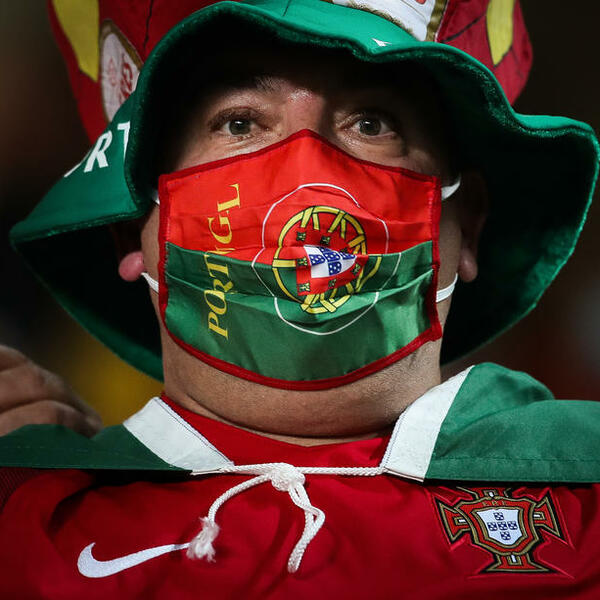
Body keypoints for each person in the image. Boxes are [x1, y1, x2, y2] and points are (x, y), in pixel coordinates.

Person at [1, 0, 599, 597]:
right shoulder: (26, 519)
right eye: (240, 123)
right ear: (132, 232)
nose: (309, 174)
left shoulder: (586, 497)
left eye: (371, 123)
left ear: (466, 226)